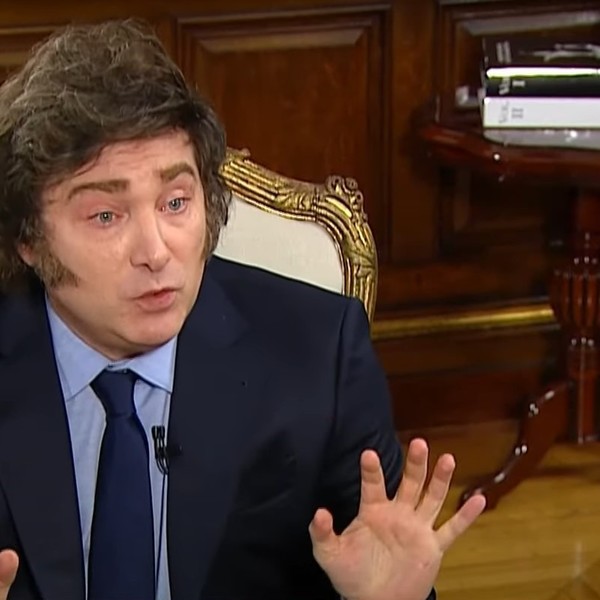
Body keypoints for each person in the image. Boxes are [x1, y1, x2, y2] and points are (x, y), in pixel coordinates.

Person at [0, 18, 485, 600]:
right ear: (28, 238)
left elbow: (379, 567)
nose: (156, 252)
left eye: (175, 202)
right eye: (106, 216)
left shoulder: (318, 355)